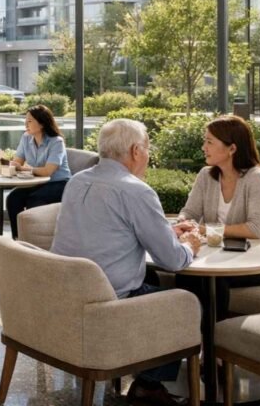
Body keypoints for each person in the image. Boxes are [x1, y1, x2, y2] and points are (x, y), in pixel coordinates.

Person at [52, 119, 202, 406]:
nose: (148, 154)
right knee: (188, 302)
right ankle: (148, 386)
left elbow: (107, 230)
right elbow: (173, 260)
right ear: (135, 151)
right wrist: (189, 246)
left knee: (152, 281)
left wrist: (166, 232)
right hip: (108, 303)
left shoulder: (77, 181)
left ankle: (142, 371)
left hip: (67, 295)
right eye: (147, 148)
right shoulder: (136, 191)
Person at [176, 115, 260, 318]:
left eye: (209, 142)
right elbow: (189, 212)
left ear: (232, 148)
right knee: (185, 274)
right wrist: (183, 223)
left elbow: (256, 229)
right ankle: (190, 334)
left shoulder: (258, 178)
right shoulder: (206, 175)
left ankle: (216, 333)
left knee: (215, 279)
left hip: (256, 263)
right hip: (215, 256)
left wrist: (207, 229)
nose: (203, 147)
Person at [5, 104, 71, 238]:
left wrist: (24, 169)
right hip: (38, 182)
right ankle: (17, 239)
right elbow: (18, 161)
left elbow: (48, 171)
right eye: (25, 120)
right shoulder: (26, 138)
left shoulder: (56, 142)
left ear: (42, 123)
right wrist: (11, 164)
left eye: (29, 121)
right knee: (13, 197)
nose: (26, 124)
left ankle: (34, 241)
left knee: (35, 199)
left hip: (59, 183)